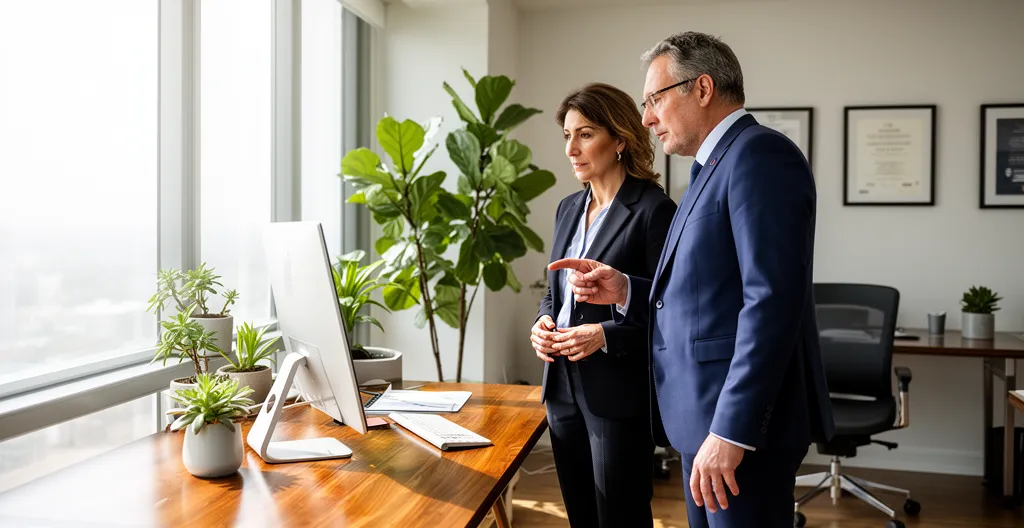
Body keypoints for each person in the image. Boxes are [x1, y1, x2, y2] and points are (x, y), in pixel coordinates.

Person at [549, 32, 835, 528]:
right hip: (698, 422)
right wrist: (627, 289)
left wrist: (731, 431)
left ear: (701, 88)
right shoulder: (707, 171)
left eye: (655, 100)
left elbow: (770, 304)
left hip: (737, 431)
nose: (645, 119)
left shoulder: (761, 156)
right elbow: (700, 299)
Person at [530, 82, 676, 528]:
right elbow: (554, 291)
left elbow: (668, 309)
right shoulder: (567, 208)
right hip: (562, 389)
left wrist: (605, 335)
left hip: (617, 392)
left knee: (621, 514)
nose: (572, 148)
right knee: (580, 512)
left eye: (586, 134)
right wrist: (543, 320)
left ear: (620, 140)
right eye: (567, 136)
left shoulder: (654, 209)